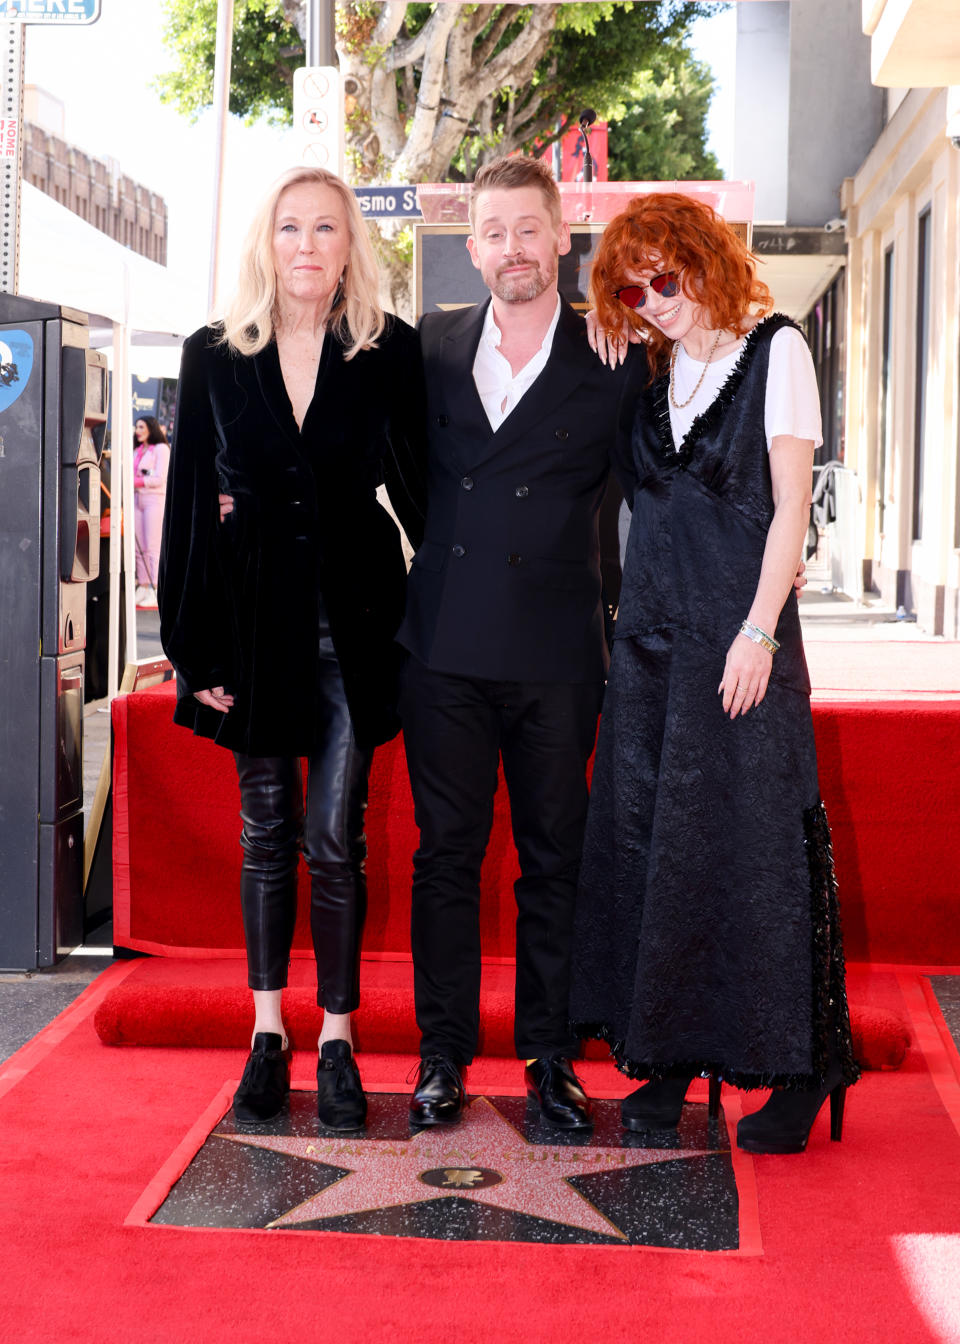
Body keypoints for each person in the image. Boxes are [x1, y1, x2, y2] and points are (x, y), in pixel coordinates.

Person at [569, 192, 859, 1154]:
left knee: (753, 856)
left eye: (666, 274)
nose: (654, 297)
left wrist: (760, 634)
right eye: (631, 286)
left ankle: (798, 1073)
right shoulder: (649, 371)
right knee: (657, 854)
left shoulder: (778, 351)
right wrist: (611, 326)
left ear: (703, 257)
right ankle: (668, 1060)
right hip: (651, 650)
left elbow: (789, 513)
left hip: (741, 648)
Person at [158, 166, 425, 1132]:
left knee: (335, 840)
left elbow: (425, 492)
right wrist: (193, 648)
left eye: (324, 227)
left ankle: (338, 1041)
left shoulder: (387, 352)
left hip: (355, 627)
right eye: (289, 228)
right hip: (251, 623)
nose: (306, 244)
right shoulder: (215, 355)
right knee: (265, 832)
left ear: (351, 244)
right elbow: (188, 504)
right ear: (265, 244)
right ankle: (267, 1034)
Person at [397, 155, 645, 1131]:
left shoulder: (613, 359)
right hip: (444, 646)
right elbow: (402, 475)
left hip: (556, 647)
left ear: (561, 238)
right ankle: (441, 1058)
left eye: (529, 230)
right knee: (445, 859)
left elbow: (644, 494)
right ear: (472, 248)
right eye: (494, 232)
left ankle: (551, 1058)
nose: (514, 249)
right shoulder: (428, 346)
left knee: (556, 859)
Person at [133, 416, 170, 607]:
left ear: (151, 428)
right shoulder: (138, 450)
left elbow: (160, 478)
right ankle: (143, 585)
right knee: (138, 547)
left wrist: (137, 481)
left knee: (152, 546)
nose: (138, 430)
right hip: (137, 498)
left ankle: (155, 587)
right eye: (137, 427)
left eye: (141, 426)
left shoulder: (161, 449)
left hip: (154, 500)